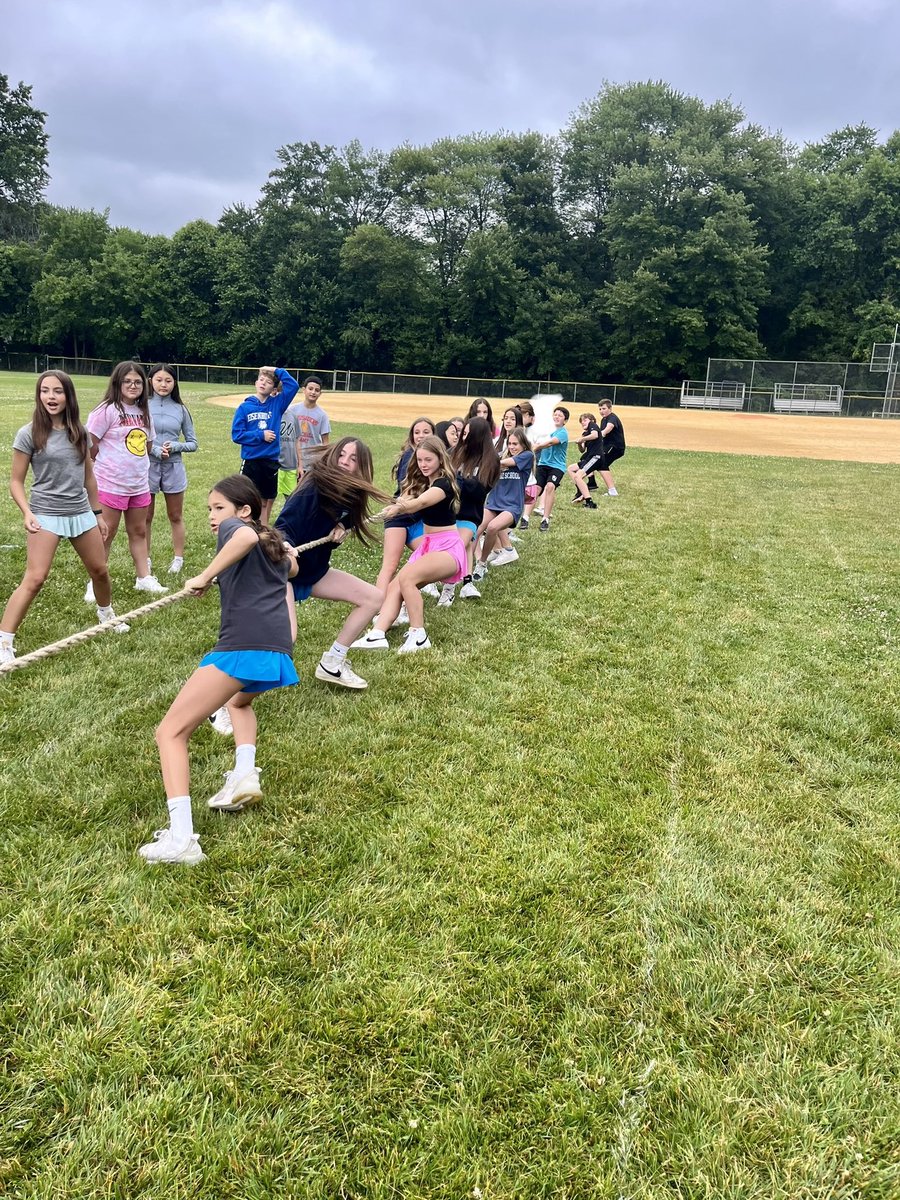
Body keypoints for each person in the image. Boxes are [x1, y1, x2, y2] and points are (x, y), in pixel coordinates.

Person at [139, 474, 299, 865]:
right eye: (210, 509)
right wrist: (283, 551)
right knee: (238, 704)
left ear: (243, 511)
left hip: (242, 647)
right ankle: (244, 773)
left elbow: (242, 538)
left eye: (219, 508)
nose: (213, 517)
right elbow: (292, 570)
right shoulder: (273, 546)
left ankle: (181, 840)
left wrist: (205, 575)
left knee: (170, 732)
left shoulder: (239, 531)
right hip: (275, 651)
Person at [1, 371, 129, 664]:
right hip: (45, 513)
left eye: (57, 391)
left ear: (68, 396)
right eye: (45, 391)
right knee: (35, 578)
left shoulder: (79, 432)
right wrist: (27, 512)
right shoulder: (28, 433)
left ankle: (106, 615)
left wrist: (97, 513)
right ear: (39, 396)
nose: (50, 397)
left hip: (80, 512)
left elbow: (89, 478)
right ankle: (4, 641)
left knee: (100, 571)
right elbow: (15, 482)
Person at [274, 437, 388, 689]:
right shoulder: (314, 485)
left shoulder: (352, 493)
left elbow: (345, 518)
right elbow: (284, 524)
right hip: (285, 573)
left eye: (353, 459)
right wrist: (284, 544)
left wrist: (342, 526)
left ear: (362, 467)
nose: (345, 462)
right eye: (342, 455)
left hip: (313, 573)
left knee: (373, 598)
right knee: (285, 639)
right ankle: (222, 702)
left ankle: (333, 662)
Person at [352, 436, 465, 653]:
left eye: (428, 460)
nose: (423, 464)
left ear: (441, 459)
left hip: (448, 548)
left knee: (408, 579)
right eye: (420, 460)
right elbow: (411, 497)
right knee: (396, 586)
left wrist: (401, 509)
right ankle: (377, 634)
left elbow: (422, 502)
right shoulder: (425, 482)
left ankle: (418, 635)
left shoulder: (445, 483)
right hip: (429, 546)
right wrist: (398, 503)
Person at [86, 360, 167, 600]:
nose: (133, 386)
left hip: (138, 484)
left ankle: (144, 577)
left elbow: (147, 444)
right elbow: (90, 444)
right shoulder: (106, 410)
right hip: (111, 484)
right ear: (117, 383)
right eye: (127, 381)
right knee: (106, 533)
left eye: (138, 382)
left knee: (139, 531)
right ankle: (95, 581)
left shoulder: (144, 412)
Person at [439, 417, 500, 605]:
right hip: (448, 513)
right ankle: (466, 582)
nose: (462, 438)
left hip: (470, 515)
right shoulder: (453, 453)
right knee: (462, 547)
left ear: (478, 436)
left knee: (457, 546)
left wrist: (456, 480)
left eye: (466, 434)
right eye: (461, 434)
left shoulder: (490, 461)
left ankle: (448, 591)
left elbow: (480, 490)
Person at [374, 416, 435, 601]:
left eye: (426, 432)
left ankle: (412, 589)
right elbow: (407, 490)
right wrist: (401, 505)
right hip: (399, 517)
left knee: (430, 556)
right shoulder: (411, 455)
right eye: (417, 432)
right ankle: (377, 603)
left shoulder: (436, 458)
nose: (421, 436)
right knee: (390, 565)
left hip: (417, 518)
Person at [231, 365, 300, 524]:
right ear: (255, 383)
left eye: (268, 382)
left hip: (270, 462)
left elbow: (293, 385)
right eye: (261, 380)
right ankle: (242, 528)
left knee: (264, 501)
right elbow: (237, 435)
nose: (263, 383)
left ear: (274, 388)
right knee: (245, 499)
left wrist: (274, 369)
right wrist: (260, 435)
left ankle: (262, 532)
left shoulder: (277, 404)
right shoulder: (244, 407)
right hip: (251, 461)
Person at [147, 364, 198, 574]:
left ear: (174, 383)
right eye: (159, 380)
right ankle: (145, 558)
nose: (163, 385)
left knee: (175, 515)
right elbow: (134, 438)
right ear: (150, 381)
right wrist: (155, 450)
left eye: (168, 380)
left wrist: (177, 446)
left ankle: (178, 558)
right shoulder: (141, 406)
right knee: (145, 517)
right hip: (147, 467)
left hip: (173, 467)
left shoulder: (181, 409)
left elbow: (193, 443)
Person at [472, 427, 533, 585]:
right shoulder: (501, 457)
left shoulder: (527, 456)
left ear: (523, 444)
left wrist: (491, 462)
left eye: (516, 444)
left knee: (492, 527)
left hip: (512, 506)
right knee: (476, 529)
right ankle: (468, 562)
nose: (512, 447)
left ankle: (481, 564)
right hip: (494, 502)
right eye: (510, 443)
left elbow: (506, 462)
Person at [523, 405, 569, 531]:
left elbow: (549, 442)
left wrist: (536, 447)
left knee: (550, 487)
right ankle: (525, 518)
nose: (556, 417)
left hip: (557, 467)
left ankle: (545, 519)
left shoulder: (563, 432)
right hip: (543, 464)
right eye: (555, 414)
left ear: (564, 421)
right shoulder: (546, 430)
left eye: (560, 415)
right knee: (536, 489)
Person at [295, 375, 331, 475]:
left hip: (313, 463)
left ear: (320, 393)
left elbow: (325, 442)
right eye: (310, 389)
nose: (313, 392)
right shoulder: (292, 410)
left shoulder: (322, 415)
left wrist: (324, 462)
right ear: (304, 390)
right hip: (294, 461)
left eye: (317, 390)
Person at [567, 412, 602, 509]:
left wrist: (582, 439)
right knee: (570, 468)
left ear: (592, 420)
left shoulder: (593, 426)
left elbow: (595, 435)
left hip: (596, 457)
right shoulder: (585, 433)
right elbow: (582, 449)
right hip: (589, 458)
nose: (583, 422)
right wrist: (579, 443)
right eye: (581, 421)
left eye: (585, 420)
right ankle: (580, 492)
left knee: (578, 476)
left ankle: (589, 502)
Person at [596, 399, 626, 496]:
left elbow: (609, 428)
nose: (601, 411)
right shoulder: (603, 420)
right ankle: (591, 483)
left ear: (610, 408)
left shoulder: (612, 418)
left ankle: (612, 491)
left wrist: (602, 433)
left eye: (604, 408)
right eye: (600, 409)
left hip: (616, 447)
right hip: (608, 447)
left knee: (602, 464)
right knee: (597, 462)